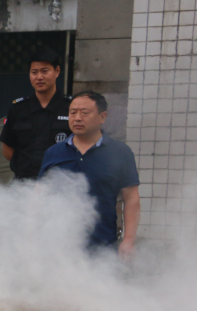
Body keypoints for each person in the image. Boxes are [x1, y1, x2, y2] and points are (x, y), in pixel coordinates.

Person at [38, 91, 140, 255]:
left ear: (102, 117)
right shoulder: (54, 152)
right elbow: (39, 196)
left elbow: (131, 199)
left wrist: (128, 240)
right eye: (73, 113)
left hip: (102, 245)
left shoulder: (120, 152)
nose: (77, 118)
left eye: (85, 113)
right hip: (58, 246)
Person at [0, 48, 73, 181]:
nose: (39, 77)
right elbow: (8, 150)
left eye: (45, 71)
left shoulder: (71, 108)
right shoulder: (18, 109)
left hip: (60, 184)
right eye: (34, 72)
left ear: (57, 71)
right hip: (23, 184)